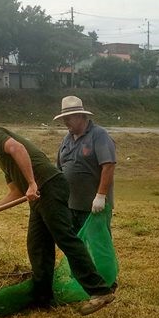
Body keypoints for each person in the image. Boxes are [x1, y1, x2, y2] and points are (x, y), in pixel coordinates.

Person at [0, 124, 115, 315]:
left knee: (64, 237)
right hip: (40, 193)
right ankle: (43, 298)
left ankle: (100, 290)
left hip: (49, 186)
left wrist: (31, 182)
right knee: (37, 244)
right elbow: (16, 192)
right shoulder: (3, 160)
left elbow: (17, 148)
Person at [52, 95, 116, 234]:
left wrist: (100, 196)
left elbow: (108, 165)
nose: (65, 122)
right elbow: (59, 169)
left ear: (80, 116)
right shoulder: (66, 139)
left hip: (94, 207)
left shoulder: (98, 135)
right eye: (64, 119)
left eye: (68, 118)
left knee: (96, 246)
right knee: (76, 247)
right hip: (70, 206)